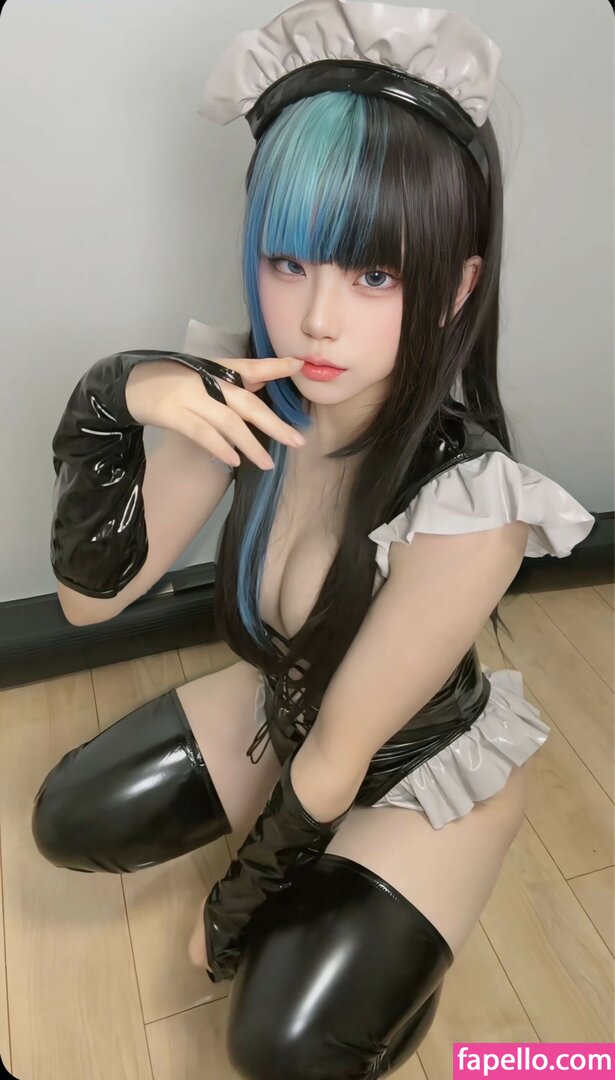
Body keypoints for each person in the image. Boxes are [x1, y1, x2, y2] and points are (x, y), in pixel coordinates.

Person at [31, 2, 596, 1076]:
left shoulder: (472, 504)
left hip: (414, 770)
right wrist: (109, 398)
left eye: (374, 275)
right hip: (291, 701)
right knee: (71, 818)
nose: (318, 319)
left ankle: (400, 962)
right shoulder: (242, 402)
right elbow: (90, 603)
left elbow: (340, 757)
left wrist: (229, 914)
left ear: (455, 287)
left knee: (281, 1046)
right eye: (289, 262)